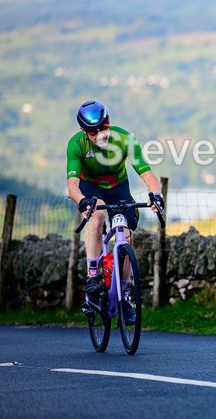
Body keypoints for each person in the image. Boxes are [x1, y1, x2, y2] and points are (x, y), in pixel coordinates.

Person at [66, 100, 163, 321]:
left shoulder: (125, 139)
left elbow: (147, 174)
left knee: (126, 233)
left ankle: (126, 295)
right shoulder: (76, 144)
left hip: (118, 188)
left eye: (104, 128)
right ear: (83, 131)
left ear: (109, 123)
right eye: (93, 131)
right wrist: (82, 201)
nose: (99, 134)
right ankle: (92, 274)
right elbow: (72, 185)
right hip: (89, 187)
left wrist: (156, 195)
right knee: (98, 215)